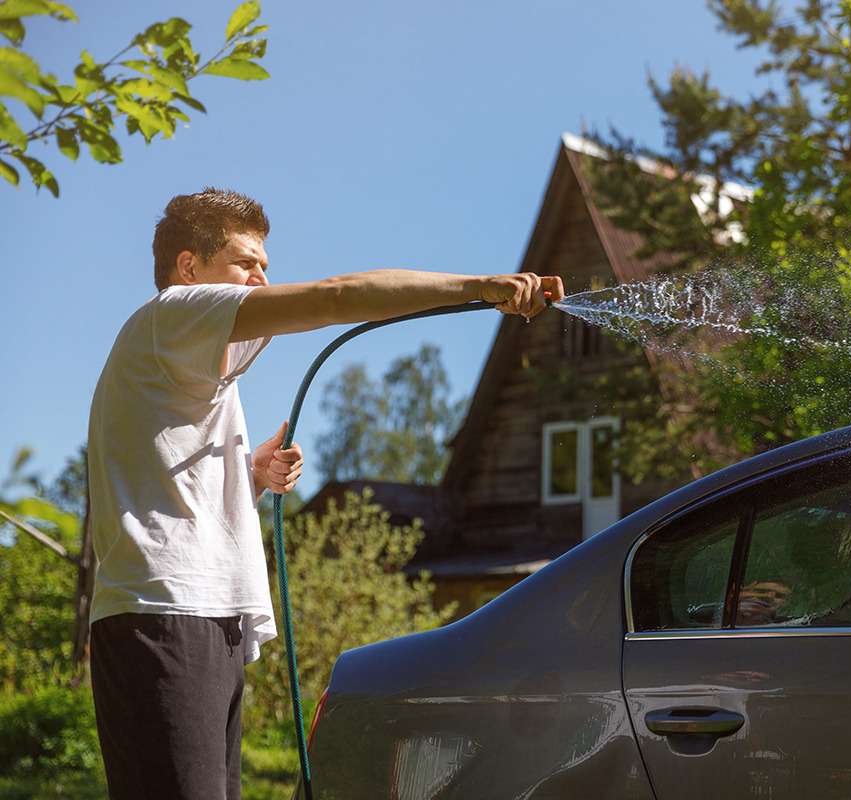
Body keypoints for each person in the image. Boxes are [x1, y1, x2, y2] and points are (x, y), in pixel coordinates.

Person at [86, 187, 565, 799]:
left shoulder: (191, 361)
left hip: (202, 614)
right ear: (189, 268)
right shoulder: (175, 313)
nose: (262, 276)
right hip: (163, 614)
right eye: (245, 261)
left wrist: (250, 479)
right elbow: (337, 296)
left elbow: (167, 493)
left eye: (265, 263)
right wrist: (478, 286)